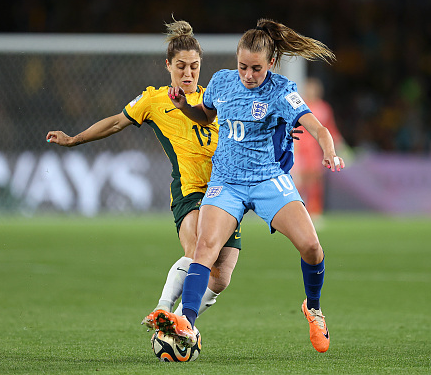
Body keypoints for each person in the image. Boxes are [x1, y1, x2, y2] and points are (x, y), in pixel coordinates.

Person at [145, 19, 345, 353]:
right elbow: (206, 116)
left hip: (267, 180)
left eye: (256, 68)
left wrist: (330, 151)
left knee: (312, 247)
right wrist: (185, 107)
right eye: (242, 67)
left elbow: (318, 127)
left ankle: (313, 308)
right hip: (227, 182)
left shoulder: (281, 90)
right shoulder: (222, 82)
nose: (248, 75)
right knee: (204, 249)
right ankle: (186, 323)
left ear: (271, 64)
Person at [45, 19, 241, 333]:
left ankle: (176, 320)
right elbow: (114, 123)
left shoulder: (213, 100)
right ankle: (169, 313)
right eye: (181, 66)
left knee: (220, 278)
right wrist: (74, 139)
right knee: (197, 254)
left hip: (225, 192)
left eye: (194, 66)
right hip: (190, 191)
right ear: (168, 66)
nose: (188, 74)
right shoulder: (153, 100)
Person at [291, 77, 345, 222]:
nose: (311, 91)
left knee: (315, 181)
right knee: (298, 182)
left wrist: (339, 145)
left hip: (315, 150)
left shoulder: (324, 108)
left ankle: (314, 212)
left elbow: (330, 128)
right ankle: (296, 213)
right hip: (299, 148)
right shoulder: (300, 106)